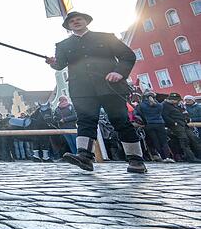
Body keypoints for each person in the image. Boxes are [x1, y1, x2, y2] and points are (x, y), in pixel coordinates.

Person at [46, 11, 145, 173]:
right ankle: (84, 157)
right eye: (72, 21)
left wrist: (120, 72)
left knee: (120, 120)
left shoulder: (106, 37)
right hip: (82, 89)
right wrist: (52, 63)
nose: (76, 22)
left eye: (79, 19)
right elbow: (60, 64)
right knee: (85, 120)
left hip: (109, 86)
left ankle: (136, 160)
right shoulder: (63, 45)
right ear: (69, 26)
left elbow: (128, 56)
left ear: (86, 22)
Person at [162, 93, 201, 162]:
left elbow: (183, 112)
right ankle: (191, 157)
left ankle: (199, 155)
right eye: (177, 100)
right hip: (176, 125)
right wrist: (174, 123)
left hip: (183, 123)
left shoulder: (177, 105)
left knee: (194, 138)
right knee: (184, 140)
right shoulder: (164, 105)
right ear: (172, 99)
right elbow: (165, 116)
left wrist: (187, 118)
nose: (178, 102)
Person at [135, 91, 172, 162]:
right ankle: (167, 157)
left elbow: (137, 114)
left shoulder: (141, 105)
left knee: (155, 141)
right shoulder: (159, 105)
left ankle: (160, 156)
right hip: (160, 124)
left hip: (149, 124)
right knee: (164, 141)